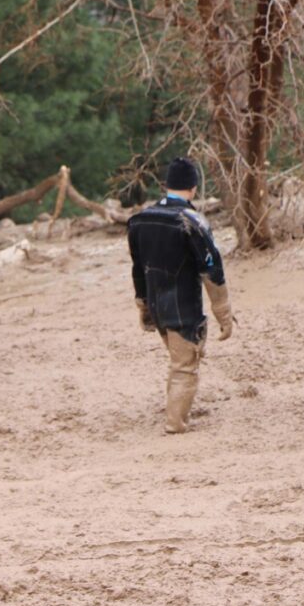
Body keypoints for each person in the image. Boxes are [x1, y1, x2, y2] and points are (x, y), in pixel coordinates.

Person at [127, 157, 234, 434]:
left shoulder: (139, 220)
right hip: (183, 306)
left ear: (166, 185)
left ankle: (174, 413)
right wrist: (223, 313)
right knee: (185, 366)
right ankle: (175, 424)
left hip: (156, 304)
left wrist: (143, 307)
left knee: (178, 362)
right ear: (193, 188)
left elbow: (138, 269)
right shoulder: (192, 221)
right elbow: (212, 270)